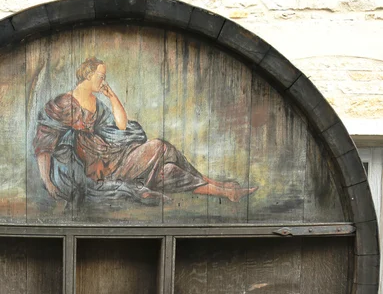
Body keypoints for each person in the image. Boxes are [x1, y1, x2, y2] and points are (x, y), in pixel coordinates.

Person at [33, 57, 257, 206]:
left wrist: (111, 96)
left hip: (115, 155)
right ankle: (215, 182)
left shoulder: (96, 103)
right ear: (88, 75)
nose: (103, 80)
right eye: (101, 76)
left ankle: (225, 191)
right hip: (102, 169)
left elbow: (121, 125)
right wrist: (48, 182)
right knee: (159, 146)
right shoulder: (64, 103)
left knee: (168, 171)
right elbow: (44, 142)